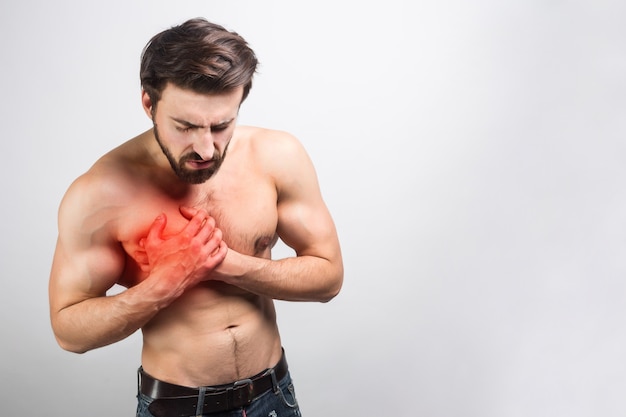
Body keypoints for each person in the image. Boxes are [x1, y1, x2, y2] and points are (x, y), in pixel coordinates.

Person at [48, 17, 343, 417]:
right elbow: (69, 331)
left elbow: (328, 278)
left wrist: (225, 264)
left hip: (274, 395)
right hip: (178, 407)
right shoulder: (99, 194)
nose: (206, 148)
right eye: (185, 126)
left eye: (222, 125)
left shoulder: (277, 157)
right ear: (149, 104)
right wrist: (165, 284)